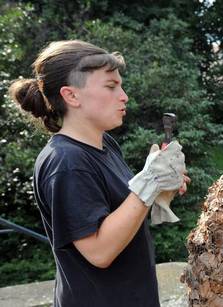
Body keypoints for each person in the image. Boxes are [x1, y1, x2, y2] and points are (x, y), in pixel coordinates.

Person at [8, 40, 189, 306]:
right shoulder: (66, 162)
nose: (124, 95)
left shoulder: (105, 144)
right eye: (111, 86)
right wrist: (149, 180)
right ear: (72, 96)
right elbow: (99, 251)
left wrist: (161, 189)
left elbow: (120, 214)